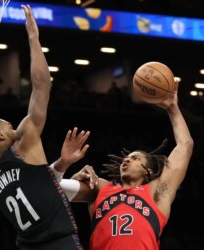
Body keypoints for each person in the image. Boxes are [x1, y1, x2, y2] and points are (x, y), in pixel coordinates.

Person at [0, 5, 85, 250]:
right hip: (60, 243)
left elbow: (36, 185)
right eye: (8, 125)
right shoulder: (22, 145)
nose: (14, 127)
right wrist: (33, 37)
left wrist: (62, 164)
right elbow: (42, 85)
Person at [57, 79, 194, 250]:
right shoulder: (101, 187)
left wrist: (173, 109)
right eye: (126, 158)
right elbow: (53, 190)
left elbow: (185, 145)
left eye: (136, 158)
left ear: (149, 170)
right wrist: (66, 168)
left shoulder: (157, 192)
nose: (127, 159)